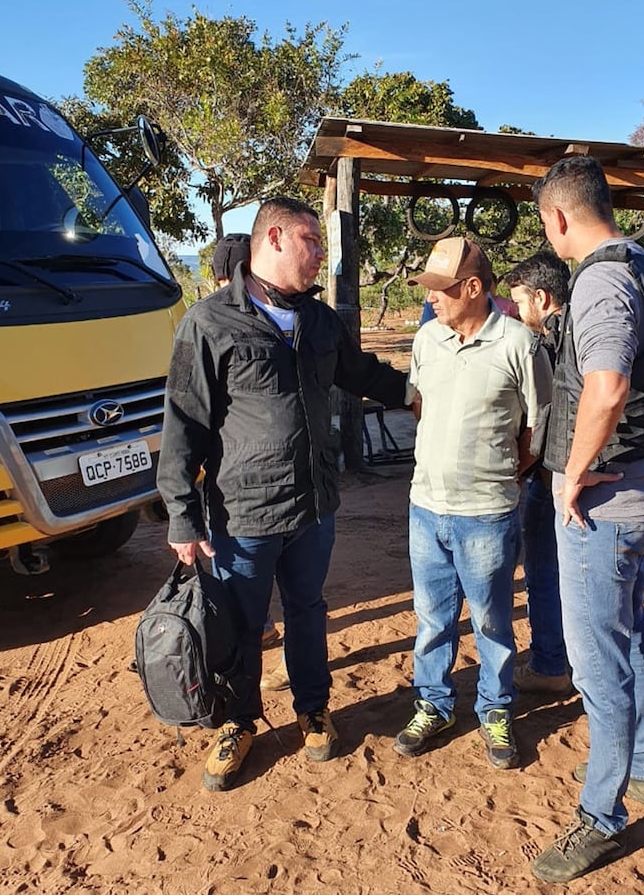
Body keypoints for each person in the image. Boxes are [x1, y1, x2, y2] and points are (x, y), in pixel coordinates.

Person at [157, 196, 407, 792]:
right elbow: (183, 422)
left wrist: (418, 392)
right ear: (272, 239)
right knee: (243, 621)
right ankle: (240, 721)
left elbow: (362, 373)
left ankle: (312, 707)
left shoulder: (320, 321)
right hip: (244, 509)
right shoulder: (210, 322)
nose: (321, 254)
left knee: (307, 610)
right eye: (311, 242)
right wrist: (181, 515)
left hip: (315, 504)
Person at [529, 156, 644, 883]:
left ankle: (602, 817)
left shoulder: (599, 278)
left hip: (604, 500)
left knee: (599, 666)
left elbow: (608, 382)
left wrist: (576, 472)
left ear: (559, 217)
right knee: (624, 638)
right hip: (643, 481)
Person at [395, 236, 551, 770]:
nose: (432, 298)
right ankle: (435, 705)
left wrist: (499, 472)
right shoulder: (425, 341)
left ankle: (495, 709)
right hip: (426, 508)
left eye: (441, 290)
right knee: (433, 618)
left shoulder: (519, 345)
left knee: (489, 620)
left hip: (487, 512)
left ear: (473, 287)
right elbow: (421, 409)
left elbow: (537, 427)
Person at [504, 251, 573, 695]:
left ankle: (550, 662)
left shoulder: (548, 341)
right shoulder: (588, 329)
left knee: (546, 573)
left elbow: (542, 423)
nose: (514, 312)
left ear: (541, 297)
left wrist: (516, 468)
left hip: (554, 480)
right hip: (588, 476)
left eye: (518, 303)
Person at [212, 233, 283, 652]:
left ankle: (255, 635)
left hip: (236, 485)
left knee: (239, 577)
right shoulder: (210, 323)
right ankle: (264, 628)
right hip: (232, 477)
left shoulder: (222, 322)